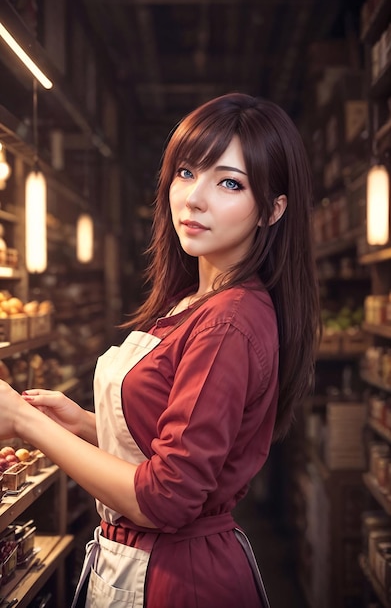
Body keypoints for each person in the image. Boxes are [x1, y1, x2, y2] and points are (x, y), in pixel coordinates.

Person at [0, 92, 319, 608]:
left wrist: (24, 421)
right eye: (187, 172)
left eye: (230, 183)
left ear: (273, 209)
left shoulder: (228, 322)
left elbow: (165, 499)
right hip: (142, 562)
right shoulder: (192, 300)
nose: (194, 198)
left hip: (177, 580)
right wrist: (81, 424)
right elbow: (167, 438)